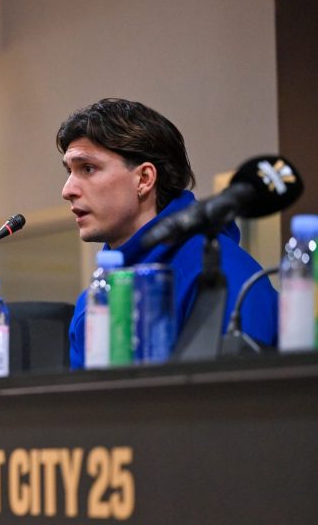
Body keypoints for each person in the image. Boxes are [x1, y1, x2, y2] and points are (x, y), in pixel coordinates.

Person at [58, 98, 278, 369]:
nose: (67, 190)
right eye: (69, 171)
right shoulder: (96, 297)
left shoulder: (221, 272)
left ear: (144, 179)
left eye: (87, 168)